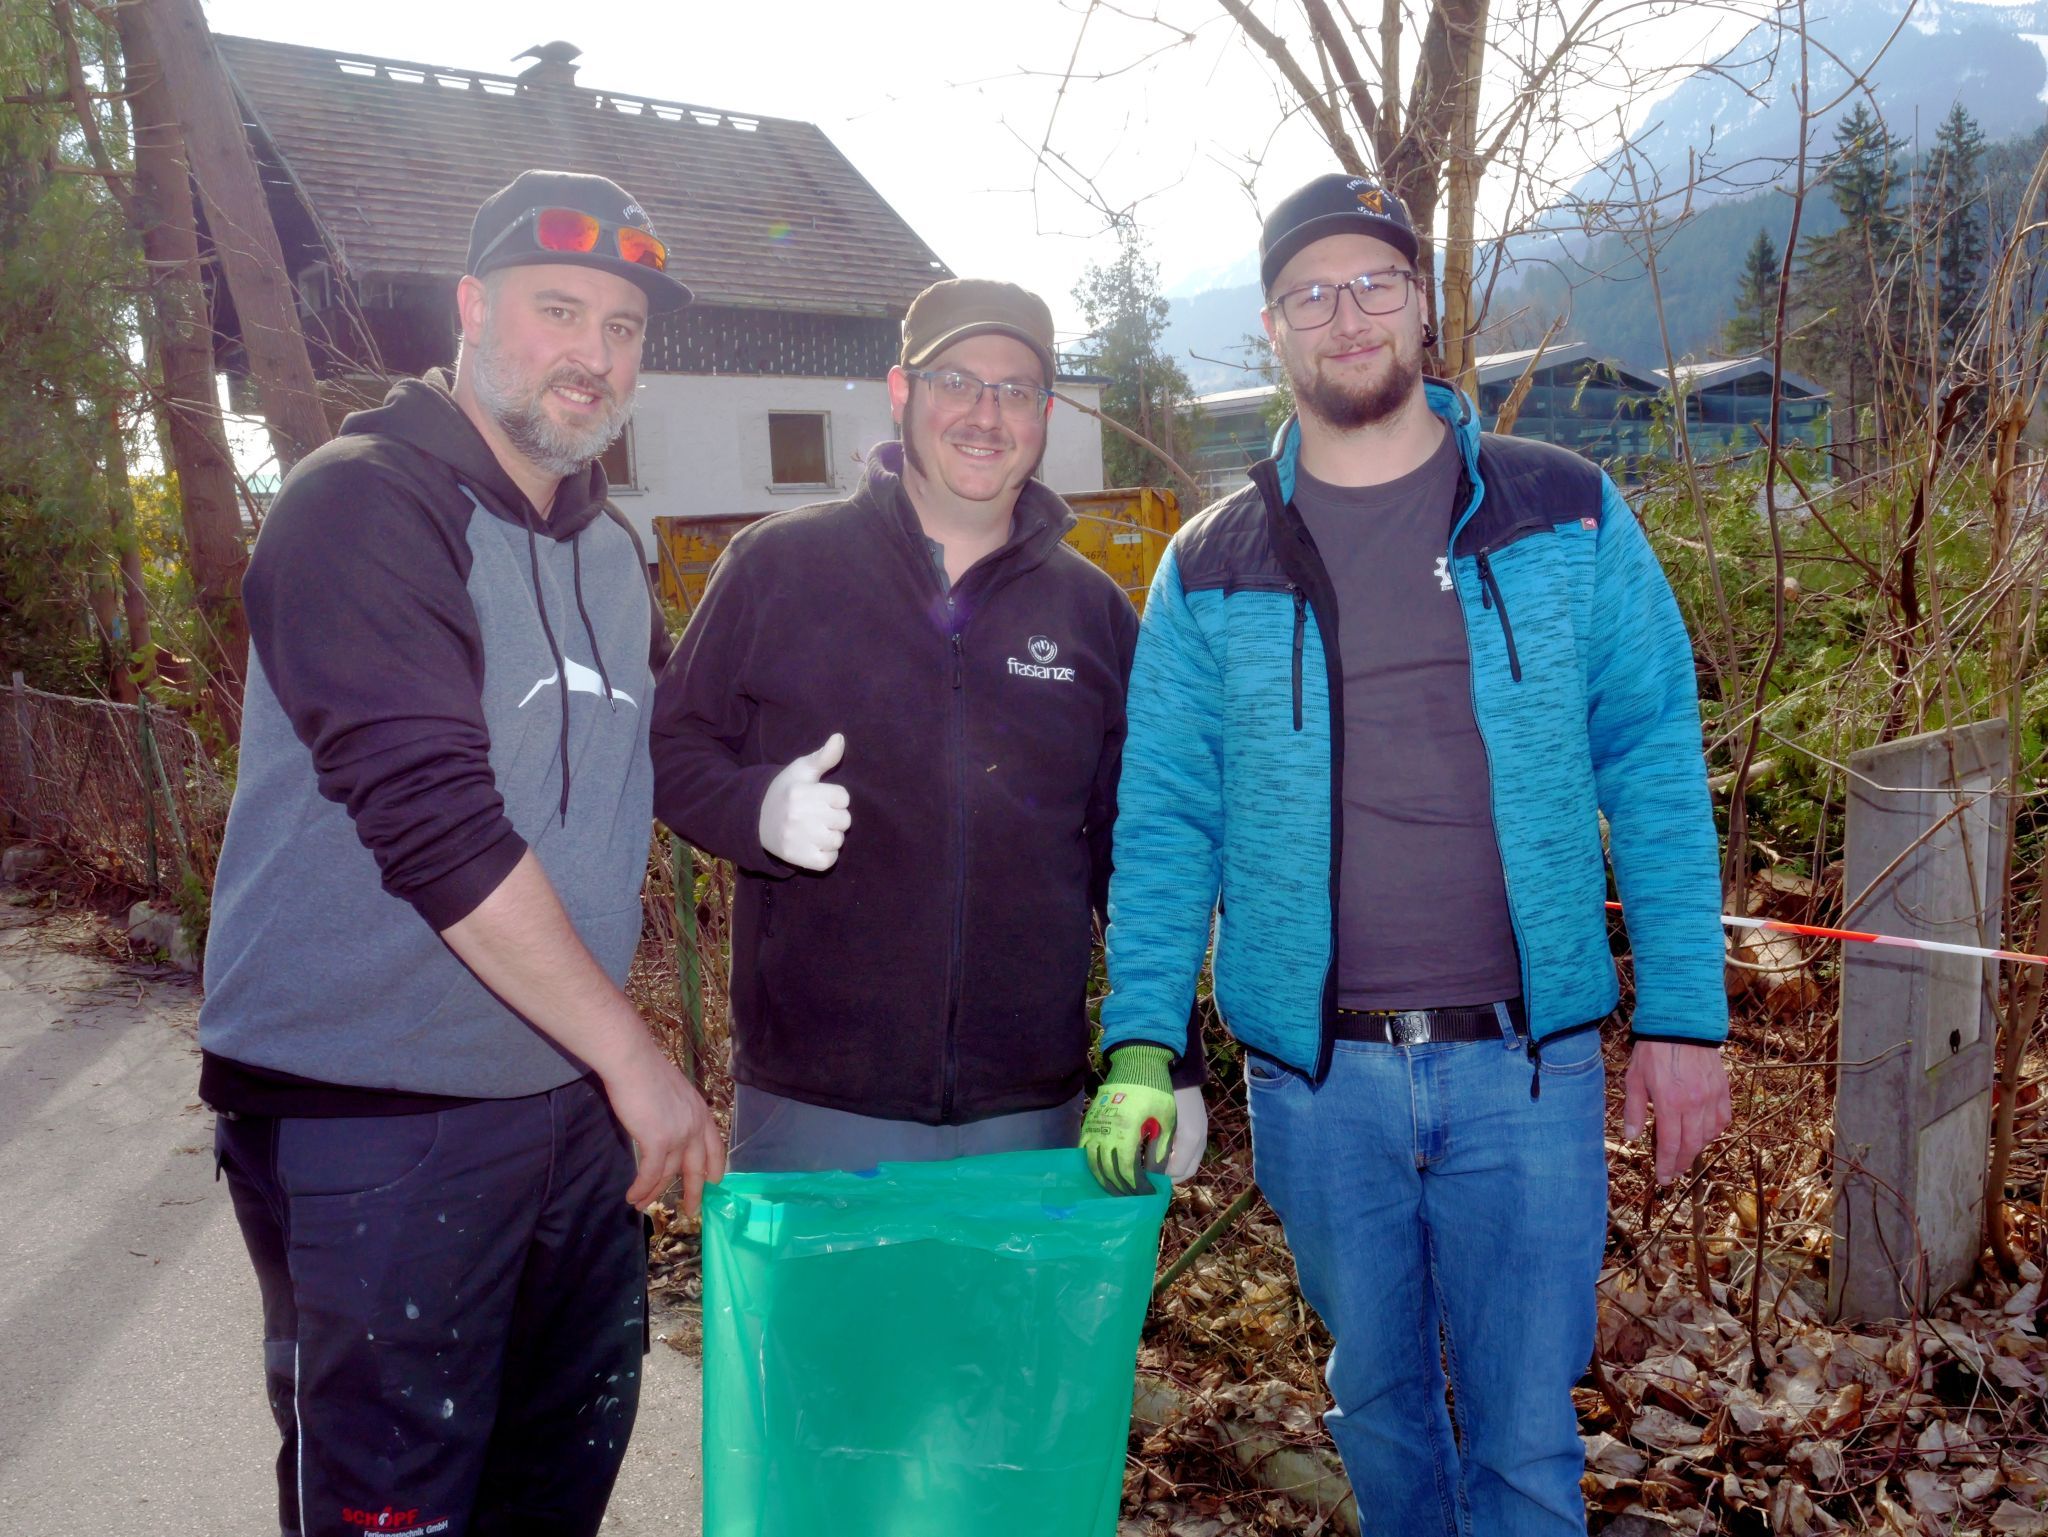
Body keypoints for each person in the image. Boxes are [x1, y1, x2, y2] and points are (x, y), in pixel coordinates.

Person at [1084, 172, 1734, 1534]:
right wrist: (1145, 1038)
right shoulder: (1212, 562)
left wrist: (1683, 1016)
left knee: (1521, 1435)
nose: (1348, 315)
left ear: (1424, 308)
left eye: (1376, 283)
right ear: (1271, 327)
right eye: (1312, 293)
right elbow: (1166, 820)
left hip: (1529, 1065)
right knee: (1377, 1407)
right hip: (1319, 1085)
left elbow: (1657, 765)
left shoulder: (1564, 512)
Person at [200, 170, 724, 1537]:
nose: (594, 354)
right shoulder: (362, 507)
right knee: (395, 1513)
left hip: (562, 1118)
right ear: (474, 309)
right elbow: (432, 817)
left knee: (548, 1492)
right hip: (371, 1119)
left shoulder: (607, 549)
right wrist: (638, 1060)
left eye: (623, 328)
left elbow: (663, 755)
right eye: (561, 311)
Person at [649, 277, 1202, 1175]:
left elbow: (1138, 846)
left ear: (1045, 414)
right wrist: (753, 810)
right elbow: (672, 747)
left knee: (1010, 1325)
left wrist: (1169, 1059)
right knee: (830, 1326)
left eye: (1016, 391)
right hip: (813, 1103)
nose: (987, 415)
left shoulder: (1092, 612)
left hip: (1031, 1107)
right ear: (903, 393)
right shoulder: (777, 568)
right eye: (957, 382)